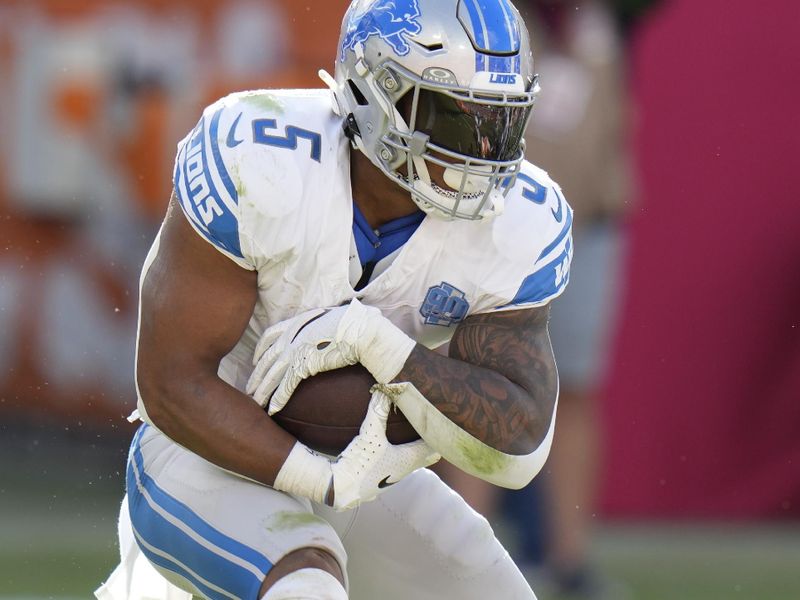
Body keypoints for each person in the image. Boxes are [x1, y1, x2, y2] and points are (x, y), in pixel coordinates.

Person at [95, 0, 573, 598]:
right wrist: (315, 479)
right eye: (456, 118)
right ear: (378, 95)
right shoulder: (259, 155)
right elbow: (170, 383)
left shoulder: (522, 219)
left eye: (500, 122)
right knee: (307, 588)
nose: (484, 152)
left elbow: (514, 450)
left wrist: (389, 352)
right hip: (200, 457)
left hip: (359, 468)